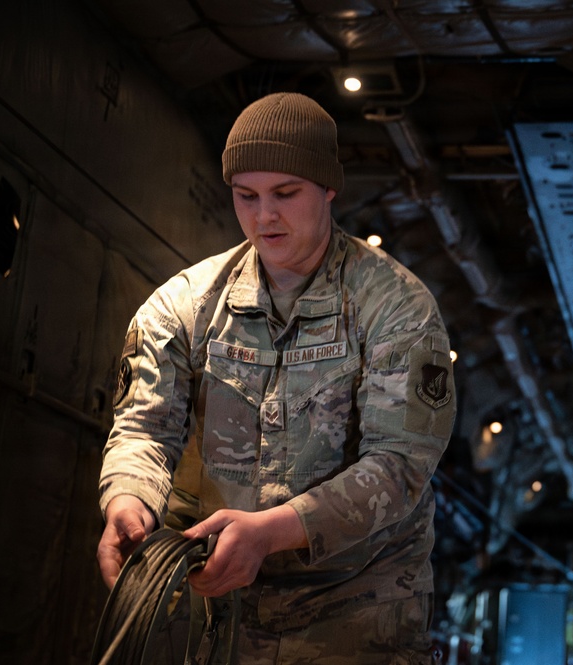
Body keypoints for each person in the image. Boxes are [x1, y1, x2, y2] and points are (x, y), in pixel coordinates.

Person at [96, 92, 456, 663]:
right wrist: (128, 500)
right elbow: (143, 429)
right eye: (246, 196)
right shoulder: (183, 305)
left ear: (328, 188)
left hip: (353, 612)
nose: (265, 215)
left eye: (286, 194)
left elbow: (400, 466)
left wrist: (273, 530)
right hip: (214, 610)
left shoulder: (395, 309)